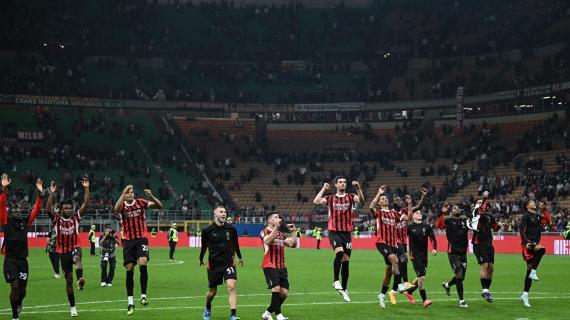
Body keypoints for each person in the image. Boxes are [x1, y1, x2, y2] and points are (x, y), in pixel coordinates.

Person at [369, 185, 426, 308]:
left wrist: (410, 204)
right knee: (396, 260)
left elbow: (409, 218)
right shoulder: (378, 213)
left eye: (385, 198)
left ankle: (382, 294)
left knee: (389, 273)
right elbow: (370, 207)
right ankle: (401, 284)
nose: (385, 199)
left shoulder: (394, 213)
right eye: (382, 199)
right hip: (381, 242)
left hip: (393, 245)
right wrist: (379, 193)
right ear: (379, 202)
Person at [313, 176, 365, 302]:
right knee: (340, 252)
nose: (343, 184)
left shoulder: (351, 196)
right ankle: (336, 281)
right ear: (335, 185)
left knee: (346, 261)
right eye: (340, 182)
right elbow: (316, 201)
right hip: (334, 231)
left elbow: (362, 201)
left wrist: (359, 189)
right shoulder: (330, 198)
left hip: (346, 233)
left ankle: (344, 289)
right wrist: (324, 189)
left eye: (344, 182)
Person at [114, 185, 163, 315]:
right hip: (128, 241)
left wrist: (151, 196)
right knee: (129, 269)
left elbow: (160, 206)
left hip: (141, 239)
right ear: (125, 195)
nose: (130, 194)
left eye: (132, 192)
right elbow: (116, 209)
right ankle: (130, 301)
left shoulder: (141, 202)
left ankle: (143, 295)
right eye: (128, 193)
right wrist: (123, 192)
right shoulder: (122, 205)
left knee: (143, 263)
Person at [46, 178, 90, 317]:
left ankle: (80, 279)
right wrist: (51, 193)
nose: (68, 210)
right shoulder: (57, 219)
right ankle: (73, 307)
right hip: (62, 252)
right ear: (61, 209)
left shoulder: (76, 217)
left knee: (77, 258)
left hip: (75, 247)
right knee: (68, 281)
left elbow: (86, 204)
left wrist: (86, 188)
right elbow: (48, 209)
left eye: (70, 208)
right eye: (65, 208)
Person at [1, 174, 42, 320]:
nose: (17, 211)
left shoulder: (25, 223)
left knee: (22, 290)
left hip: (23, 261)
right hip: (10, 260)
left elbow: (37, 209)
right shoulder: (6, 222)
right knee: (15, 287)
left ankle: (19, 302)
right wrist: (4, 189)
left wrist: (39, 193)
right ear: (10, 213)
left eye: (19, 210)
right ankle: (14, 316)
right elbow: (1, 205)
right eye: (14, 210)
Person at [199, 206, 244, 320]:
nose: (224, 214)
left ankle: (233, 315)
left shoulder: (231, 229)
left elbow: (235, 244)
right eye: (221, 212)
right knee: (212, 293)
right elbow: (204, 246)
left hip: (229, 262)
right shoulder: (207, 230)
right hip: (214, 265)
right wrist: (201, 258)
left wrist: (239, 257)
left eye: (225, 212)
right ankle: (208, 307)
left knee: (231, 286)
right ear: (215, 214)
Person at [260, 212, 298, 320]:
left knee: (284, 293)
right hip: (269, 264)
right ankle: (278, 315)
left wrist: (293, 232)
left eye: (279, 217)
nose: (278, 219)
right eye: (276, 217)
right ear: (269, 220)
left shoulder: (281, 233)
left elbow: (293, 244)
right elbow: (268, 241)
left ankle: (267, 313)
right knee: (276, 288)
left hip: (281, 265)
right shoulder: (264, 231)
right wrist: (277, 228)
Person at [468, 191, 503, 303]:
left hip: (489, 244)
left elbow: (495, 228)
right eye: (478, 203)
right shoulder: (474, 214)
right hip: (478, 244)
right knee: (485, 266)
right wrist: (484, 197)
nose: (481, 204)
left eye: (481, 202)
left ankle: (486, 290)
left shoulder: (489, 216)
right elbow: (480, 209)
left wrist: (499, 226)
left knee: (491, 268)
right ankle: (485, 291)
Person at [519, 199, 551, 307]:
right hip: (527, 245)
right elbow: (521, 229)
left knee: (528, 271)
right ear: (528, 206)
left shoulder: (537, 216)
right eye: (532, 202)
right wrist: (525, 242)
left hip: (534, 244)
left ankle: (525, 295)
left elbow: (548, 221)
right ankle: (534, 272)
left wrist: (544, 210)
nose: (534, 203)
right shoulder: (526, 216)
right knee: (542, 249)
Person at [436, 203, 469, 308]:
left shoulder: (465, 221)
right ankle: (462, 301)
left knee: (461, 277)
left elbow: (475, 223)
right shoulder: (448, 221)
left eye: (458, 208)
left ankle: (447, 285)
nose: (457, 208)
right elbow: (439, 225)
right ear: (451, 212)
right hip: (453, 252)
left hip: (463, 253)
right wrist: (443, 212)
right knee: (459, 276)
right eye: (455, 208)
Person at [403, 207, 437, 308]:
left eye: (420, 212)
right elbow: (402, 235)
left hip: (424, 256)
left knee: (420, 277)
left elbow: (433, 238)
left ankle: (409, 292)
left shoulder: (426, 226)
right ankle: (425, 300)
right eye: (417, 213)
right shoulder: (409, 227)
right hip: (414, 255)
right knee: (421, 277)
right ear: (413, 216)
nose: (419, 214)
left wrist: (434, 248)